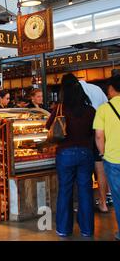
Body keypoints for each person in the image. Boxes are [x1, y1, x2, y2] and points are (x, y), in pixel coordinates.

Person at [46, 73, 95, 237]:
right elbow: (94, 132)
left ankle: (63, 229)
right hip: (86, 153)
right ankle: (87, 229)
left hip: (65, 154)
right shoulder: (90, 110)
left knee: (65, 190)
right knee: (85, 191)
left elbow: (48, 126)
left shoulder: (60, 108)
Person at [94, 74, 120, 241]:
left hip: (113, 159)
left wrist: (102, 154)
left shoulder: (104, 109)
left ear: (111, 89)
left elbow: (98, 136)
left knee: (118, 197)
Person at [79, 80, 111, 213]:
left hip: (86, 134)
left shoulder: (77, 91)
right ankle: (103, 203)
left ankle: (85, 203)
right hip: (100, 131)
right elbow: (105, 105)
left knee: (85, 169)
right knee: (100, 168)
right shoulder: (97, 89)